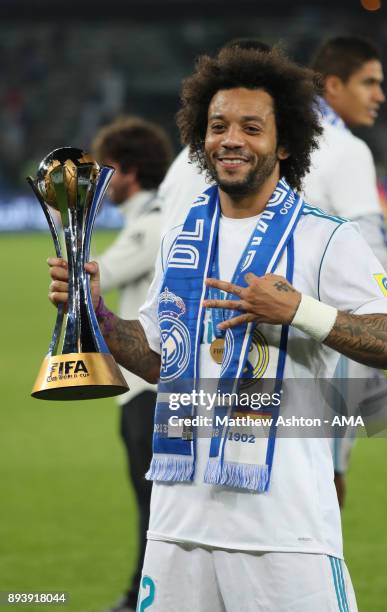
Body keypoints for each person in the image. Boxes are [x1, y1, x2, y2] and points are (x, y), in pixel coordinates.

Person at [48, 46, 387, 611]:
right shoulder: (182, 239)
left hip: (285, 538)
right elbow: (159, 362)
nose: (230, 139)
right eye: (218, 126)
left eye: (251, 127)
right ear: (200, 136)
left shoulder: (326, 238)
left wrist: (299, 312)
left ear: (284, 143)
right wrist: (98, 314)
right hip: (177, 531)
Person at [302, 36, 387, 506]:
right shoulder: (345, 150)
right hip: (329, 336)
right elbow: (370, 242)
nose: (379, 96)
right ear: (333, 84)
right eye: (369, 83)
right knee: (325, 478)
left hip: (263, 332)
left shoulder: (284, 138)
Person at [91, 116, 173, 612]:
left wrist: (66, 228)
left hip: (150, 389)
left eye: (107, 171)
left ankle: (140, 600)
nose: (102, 183)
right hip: (145, 385)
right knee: (154, 507)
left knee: (155, 509)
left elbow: (92, 277)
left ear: (129, 171)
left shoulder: (153, 222)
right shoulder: (155, 218)